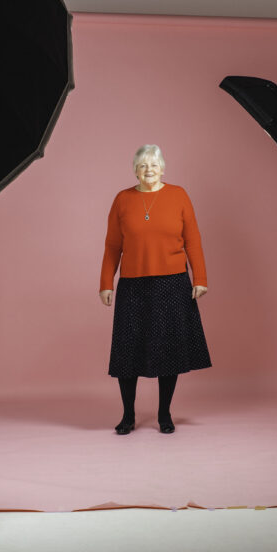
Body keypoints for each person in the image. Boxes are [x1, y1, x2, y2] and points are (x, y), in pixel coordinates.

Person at [99, 144, 211, 435]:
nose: (149, 170)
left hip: (172, 283)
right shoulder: (122, 199)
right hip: (132, 285)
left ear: (163, 168)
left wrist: (200, 278)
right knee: (127, 353)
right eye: (142, 165)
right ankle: (128, 416)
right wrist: (105, 283)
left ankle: (164, 414)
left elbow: (193, 241)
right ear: (135, 170)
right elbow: (112, 246)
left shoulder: (179, 195)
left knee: (169, 351)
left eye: (154, 164)